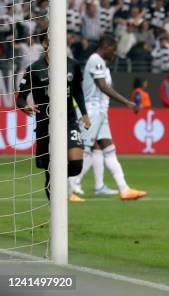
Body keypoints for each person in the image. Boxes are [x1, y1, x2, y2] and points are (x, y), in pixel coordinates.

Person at [68, 34, 147, 201]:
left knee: (108, 150)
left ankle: (124, 190)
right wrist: (127, 102)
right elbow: (103, 87)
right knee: (86, 150)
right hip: (92, 112)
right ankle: (68, 190)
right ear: (106, 47)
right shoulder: (95, 60)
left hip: (101, 112)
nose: (115, 54)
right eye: (114, 50)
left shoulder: (102, 64)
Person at [16, 33, 91, 203]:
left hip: (69, 120)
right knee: (50, 172)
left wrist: (84, 113)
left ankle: (62, 181)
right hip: (45, 124)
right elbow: (20, 97)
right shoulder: (34, 69)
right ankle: (55, 216)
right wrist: (24, 106)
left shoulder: (72, 65)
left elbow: (77, 91)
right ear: (44, 43)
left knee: (76, 166)